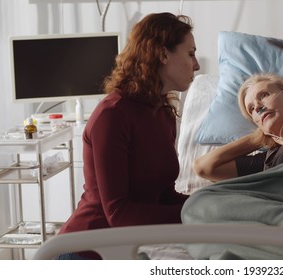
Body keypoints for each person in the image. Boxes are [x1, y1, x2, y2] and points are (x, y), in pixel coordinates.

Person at [57, 12, 200, 260]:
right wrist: (200, 214)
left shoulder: (162, 113)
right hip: (86, 252)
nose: (196, 64)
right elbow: (118, 213)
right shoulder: (112, 115)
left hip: (126, 248)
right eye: (190, 54)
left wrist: (207, 203)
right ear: (163, 54)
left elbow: (163, 196)